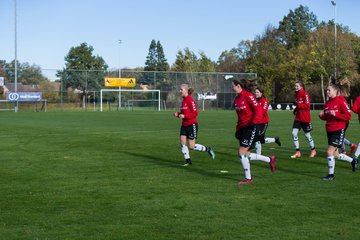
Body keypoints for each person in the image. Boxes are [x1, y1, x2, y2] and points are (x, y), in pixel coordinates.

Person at [232, 78, 276, 185]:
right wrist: (238, 129)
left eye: (233, 86)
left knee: (241, 152)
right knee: (246, 154)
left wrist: (254, 123)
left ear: (238, 86)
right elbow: (239, 117)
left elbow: (259, 110)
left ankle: (248, 178)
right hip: (242, 129)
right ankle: (270, 159)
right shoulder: (236, 99)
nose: (232, 88)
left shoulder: (248, 96)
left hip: (250, 128)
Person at [319, 77, 356, 180]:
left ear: (335, 91)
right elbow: (326, 117)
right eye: (326, 90)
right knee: (335, 154)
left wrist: (336, 114)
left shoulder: (341, 100)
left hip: (338, 129)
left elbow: (348, 116)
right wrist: (322, 115)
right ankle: (353, 161)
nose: (327, 92)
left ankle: (331, 175)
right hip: (329, 130)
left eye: (329, 90)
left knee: (329, 152)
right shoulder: (328, 102)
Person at [173, 84, 215, 166]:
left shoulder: (190, 100)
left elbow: (195, 113)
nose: (180, 91)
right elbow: (183, 113)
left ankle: (208, 149)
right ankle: (188, 161)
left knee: (191, 146)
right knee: (182, 142)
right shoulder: (183, 101)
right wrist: (178, 114)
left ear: (186, 90)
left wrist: (184, 116)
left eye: (181, 89)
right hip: (184, 124)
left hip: (191, 125)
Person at [291, 81, 316, 158]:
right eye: (295, 86)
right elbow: (299, 105)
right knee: (294, 133)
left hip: (305, 118)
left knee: (307, 135)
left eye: (297, 86)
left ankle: (313, 150)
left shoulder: (305, 94)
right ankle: (297, 151)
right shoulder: (296, 94)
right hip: (298, 118)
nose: (296, 87)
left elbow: (307, 105)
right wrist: (296, 109)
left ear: (301, 87)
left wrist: (298, 105)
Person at [253, 86, 281, 155]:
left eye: (257, 92)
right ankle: (275, 139)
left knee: (257, 138)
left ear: (261, 93)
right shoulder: (254, 100)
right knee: (261, 140)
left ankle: (258, 156)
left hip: (263, 123)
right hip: (256, 122)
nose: (256, 93)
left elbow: (263, 111)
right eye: (255, 92)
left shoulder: (264, 101)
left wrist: (255, 112)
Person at [351, 96, 360, 161]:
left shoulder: (358, 98)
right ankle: (356, 155)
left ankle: (356, 155)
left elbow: (354, 109)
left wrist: (358, 113)